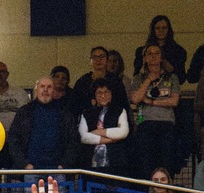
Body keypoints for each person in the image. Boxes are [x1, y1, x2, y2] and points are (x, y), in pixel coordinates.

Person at [8, 76, 79, 193]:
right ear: (36, 89)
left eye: (50, 87)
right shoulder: (24, 112)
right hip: (32, 171)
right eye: (42, 86)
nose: (46, 90)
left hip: (57, 172)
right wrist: (24, 164)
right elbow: (13, 139)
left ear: (54, 91)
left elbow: (74, 141)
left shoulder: (64, 112)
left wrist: (64, 165)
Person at [129, 45, 181, 178]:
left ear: (161, 57)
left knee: (166, 164)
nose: (153, 56)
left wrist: (151, 102)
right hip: (145, 124)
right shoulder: (138, 78)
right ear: (145, 58)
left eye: (157, 53)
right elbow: (135, 99)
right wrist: (149, 80)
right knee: (145, 165)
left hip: (167, 125)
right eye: (149, 53)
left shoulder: (172, 77)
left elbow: (174, 101)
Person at [71, 46, 130, 118]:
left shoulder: (115, 81)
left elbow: (123, 104)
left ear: (107, 60)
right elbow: (74, 106)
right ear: (91, 60)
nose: (98, 60)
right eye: (95, 57)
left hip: (112, 119)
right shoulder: (82, 81)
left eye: (102, 57)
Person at [132, 15, 188, 84]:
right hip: (147, 87)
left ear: (168, 30)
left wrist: (172, 70)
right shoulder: (141, 51)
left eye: (164, 28)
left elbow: (182, 79)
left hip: (170, 88)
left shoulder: (179, 51)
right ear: (153, 30)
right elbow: (136, 76)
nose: (161, 30)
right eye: (157, 28)